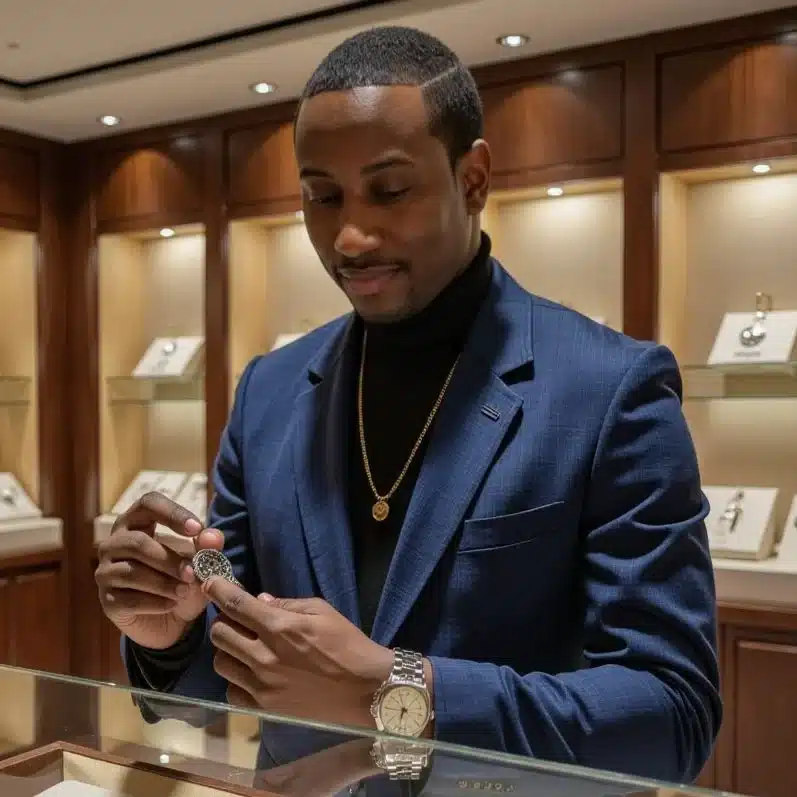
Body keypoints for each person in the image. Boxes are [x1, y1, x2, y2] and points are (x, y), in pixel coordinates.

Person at [95, 25, 722, 786]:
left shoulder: (612, 388)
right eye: (321, 197)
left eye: (389, 190)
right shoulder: (268, 391)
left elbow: (670, 712)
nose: (350, 236)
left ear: (473, 178)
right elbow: (224, 653)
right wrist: (172, 631)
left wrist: (399, 691)